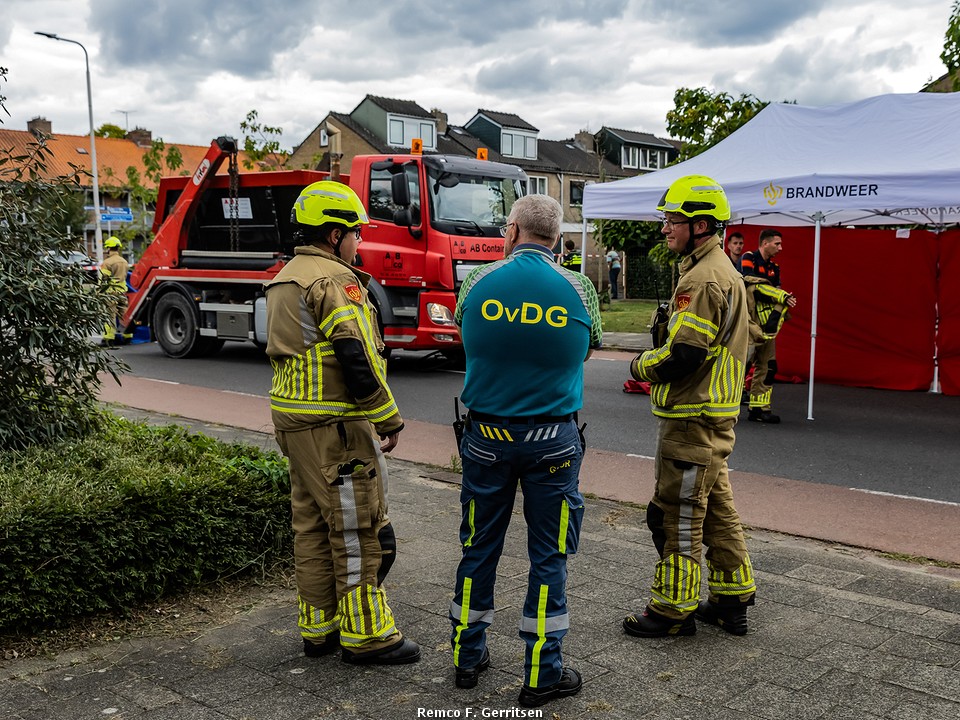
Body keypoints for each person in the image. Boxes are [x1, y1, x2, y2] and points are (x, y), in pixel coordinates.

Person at [450, 194, 602, 708]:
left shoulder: (476, 282)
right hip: (553, 442)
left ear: (511, 230)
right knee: (549, 556)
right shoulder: (579, 287)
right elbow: (593, 341)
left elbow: (461, 326)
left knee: (479, 549)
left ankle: (467, 659)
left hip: (486, 439)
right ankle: (541, 674)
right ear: (556, 237)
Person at [264, 180, 420, 666]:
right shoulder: (334, 280)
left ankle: (319, 630)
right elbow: (354, 354)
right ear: (333, 235)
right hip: (335, 425)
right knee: (358, 529)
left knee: (310, 525)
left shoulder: (285, 276)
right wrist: (386, 415)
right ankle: (368, 635)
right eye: (354, 232)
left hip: (293, 422)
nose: (359, 242)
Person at [623, 175, 756, 638]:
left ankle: (672, 610)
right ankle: (732, 598)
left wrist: (640, 365)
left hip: (691, 418)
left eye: (671, 220)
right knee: (716, 508)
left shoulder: (702, 278)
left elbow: (685, 354)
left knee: (675, 513)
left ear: (700, 224)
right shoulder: (720, 268)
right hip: (713, 415)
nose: (664, 228)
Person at [740, 229, 797, 424]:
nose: (780, 248)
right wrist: (780, 296)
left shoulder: (775, 267)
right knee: (740, 365)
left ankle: (759, 408)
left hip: (766, 325)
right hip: (747, 322)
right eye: (777, 244)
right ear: (765, 243)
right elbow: (750, 285)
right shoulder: (749, 258)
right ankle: (721, 404)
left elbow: (774, 291)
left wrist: (780, 298)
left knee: (769, 366)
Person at [100, 236, 130, 345]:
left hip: (110, 293)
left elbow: (104, 280)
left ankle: (108, 338)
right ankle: (128, 336)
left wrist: (99, 292)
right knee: (124, 314)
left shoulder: (107, 263)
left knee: (110, 315)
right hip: (122, 291)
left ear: (109, 248)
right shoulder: (124, 261)